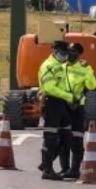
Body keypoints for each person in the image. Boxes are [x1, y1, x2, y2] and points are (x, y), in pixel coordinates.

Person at [58, 42, 96, 180]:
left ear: (79, 54)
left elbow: (92, 85)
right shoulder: (61, 67)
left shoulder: (84, 67)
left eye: (73, 51)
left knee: (76, 138)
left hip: (77, 107)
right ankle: (64, 168)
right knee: (62, 138)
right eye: (69, 51)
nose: (70, 53)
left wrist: (88, 72)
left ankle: (75, 169)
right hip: (63, 105)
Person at [37, 40, 74, 181]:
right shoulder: (48, 66)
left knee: (66, 137)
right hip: (52, 102)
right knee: (51, 137)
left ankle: (48, 163)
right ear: (54, 51)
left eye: (66, 54)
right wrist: (68, 95)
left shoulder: (61, 65)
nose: (64, 56)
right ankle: (47, 170)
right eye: (62, 53)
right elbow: (49, 88)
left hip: (62, 103)